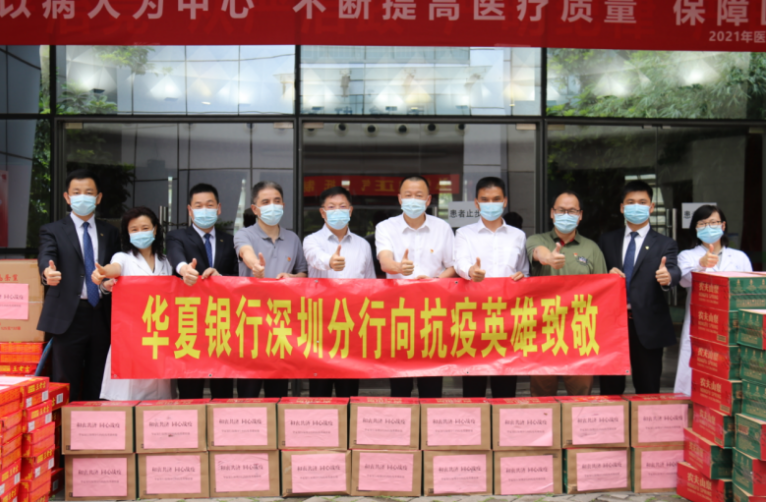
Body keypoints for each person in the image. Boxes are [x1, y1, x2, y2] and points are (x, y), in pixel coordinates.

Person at [37, 169, 121, 401]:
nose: (82, 197)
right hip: (67, 317)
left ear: (98, 197)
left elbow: (117, 265)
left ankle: (95, 422)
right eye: (76, 192)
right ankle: (67, 425)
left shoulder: (110, 232)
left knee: (99, 380)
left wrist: (109, 282)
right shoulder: (52, 230)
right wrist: (47, 272)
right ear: (67, 197)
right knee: (65, 380)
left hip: (102, 314)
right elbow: (46, 256)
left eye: (89, 192)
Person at [376, 175, 456, 398]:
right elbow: (384, 261)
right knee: (400, 386)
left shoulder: (442, 228)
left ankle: (430, 421)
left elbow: (453, 266)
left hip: (433, 314)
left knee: (431, 385)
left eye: (419, 195)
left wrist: (434, 283)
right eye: (408, 195)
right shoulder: (386, 227)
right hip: (398, 315)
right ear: (400, 198)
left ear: (428, 200)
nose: (413, 200)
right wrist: (398, 267)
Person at [598, 180, 681, 395]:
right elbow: (596, 275)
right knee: (610, 390)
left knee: (648, 389)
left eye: (642, 202)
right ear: (622, 207)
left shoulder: (665, 243)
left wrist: (668, 277)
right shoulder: (607, 240)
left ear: (651, 207)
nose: (637, 207)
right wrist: (605, 276)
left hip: (648, 326)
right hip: (612, 325)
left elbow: (673, 269)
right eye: (631, 202)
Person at [526, 191, 607, 397]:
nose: (566, 215)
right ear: (552, 213)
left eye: (572, 211)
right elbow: (537, 251)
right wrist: (548, 258)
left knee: (580, 395)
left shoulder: (591, 248)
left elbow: (603, 292)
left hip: (580, 333)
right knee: (542, 396)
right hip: (543, 332)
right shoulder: (537, 239)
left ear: (580, 215)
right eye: (561, 210)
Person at [454, 177, 527, 398]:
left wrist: (522, 277)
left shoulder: (518, 236)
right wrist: (470, 271)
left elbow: (524, 271)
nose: (490, 204)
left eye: (496, 199)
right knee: (473, 388)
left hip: (507, 318)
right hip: (474, 317)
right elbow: (459, 263)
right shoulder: (464, 233)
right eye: (485, 200)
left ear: (505, 201)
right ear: (476, 203)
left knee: (505, 388)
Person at [91, 206, 173, 401]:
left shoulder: (166, 261)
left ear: (155, 229)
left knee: (159, 402)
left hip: (159, 337)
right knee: (128, 401)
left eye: (145, 228)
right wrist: (104, 272)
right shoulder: (123, 258)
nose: (140, 233)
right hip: (131, 337)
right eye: (134, 229)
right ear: (127, 233)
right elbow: (115, 268)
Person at [235, 181, 308, 398]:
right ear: (255, 209)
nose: (272, 206)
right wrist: (255, 266)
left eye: (277, 201)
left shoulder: (293, 239)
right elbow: (246, 252)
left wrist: (292, 277)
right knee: (249, 393)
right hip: (251, 325)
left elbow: (303, 273)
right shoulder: (244, 234)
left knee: (277, 394)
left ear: (283, 205)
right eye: (265, 202)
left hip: (281, 326)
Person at [166, 183, 238, 399]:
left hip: (221, 323)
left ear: (219, 208)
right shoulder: (176, 236)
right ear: (190, 210)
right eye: (198, 206)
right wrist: (184, 269)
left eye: (209, 205)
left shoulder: (230, 240)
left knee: (222, 389)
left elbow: (237, 276)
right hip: (189, 322)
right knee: (190, 389)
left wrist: (221, 278)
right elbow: (176, 256)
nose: (204, 210)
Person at [303, 186, 375, 397]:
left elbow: (370, 285)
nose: (337, 211)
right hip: (320, 327)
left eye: (342, 206)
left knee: (349, 392)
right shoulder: (312, 240)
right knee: (320, 392)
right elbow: (314, 257)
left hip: (351, 327)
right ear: (322, 212)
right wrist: (330, 261)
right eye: (331, 207)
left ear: (350, 211)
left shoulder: (363, 245)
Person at [674, 205, 752, 395]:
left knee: (726, 384)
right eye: (703, 223)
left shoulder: (739, 257)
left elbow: (749, 292)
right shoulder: (687, 256)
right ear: (696, 228)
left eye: (713, 222)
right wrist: (700, 265)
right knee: (696, 382)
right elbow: (684, 280)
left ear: (723, 226)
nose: (709, 227)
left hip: (732, 327)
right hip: (701, 325)